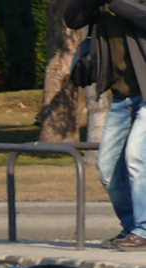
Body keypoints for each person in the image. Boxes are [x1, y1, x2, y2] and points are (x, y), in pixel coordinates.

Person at [66, 0, 146, 250]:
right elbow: (72, 19)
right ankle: (131, 226)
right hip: (122, 97)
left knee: (136, 157)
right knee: (107, 166)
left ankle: (143, 230)